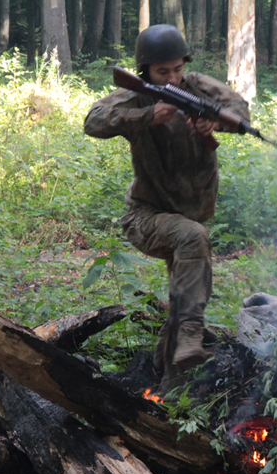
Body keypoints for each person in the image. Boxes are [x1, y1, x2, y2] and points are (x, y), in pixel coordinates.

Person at [84, 24, 251, 391]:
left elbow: (239, 108)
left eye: (177, 69)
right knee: (195, 239)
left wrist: (213, 122)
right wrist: (147, 116)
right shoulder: (138, 97)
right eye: (163, 72)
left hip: (187, 218)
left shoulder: (197, 86)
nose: (173, 77)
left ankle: (169, 390)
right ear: (145, 72)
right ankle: (192, 336)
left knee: (184, 298)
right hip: (145, 217)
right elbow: (93, 121)